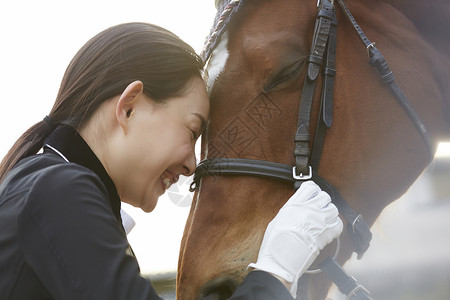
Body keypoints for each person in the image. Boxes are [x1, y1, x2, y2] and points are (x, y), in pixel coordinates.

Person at [0, 22, 342, 299]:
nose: (192, 166)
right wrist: (277, 269)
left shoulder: (44, 186)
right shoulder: (59, 192)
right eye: (193, 131)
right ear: (129, 105)